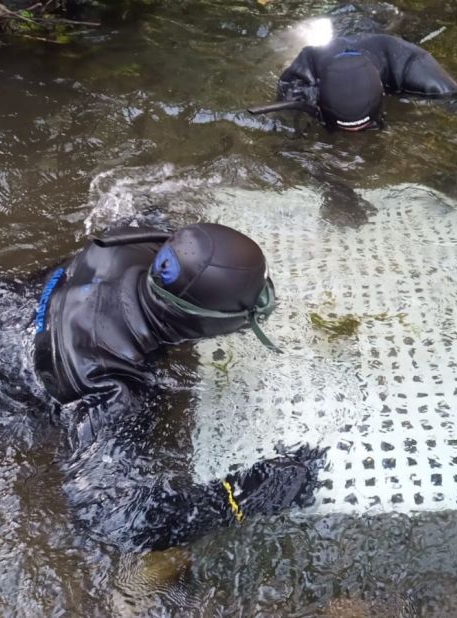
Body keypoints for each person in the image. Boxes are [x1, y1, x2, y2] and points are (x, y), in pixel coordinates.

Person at [34, 222, 323, 552]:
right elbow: (118, 517)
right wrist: (254, 492)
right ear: (206, 322)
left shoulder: (135, 242)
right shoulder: (113, 386)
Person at [250, 33, 457, 131]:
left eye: (366, 128)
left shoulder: (424, 75)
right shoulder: (302, 77)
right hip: (336, 47)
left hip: (389, 47)